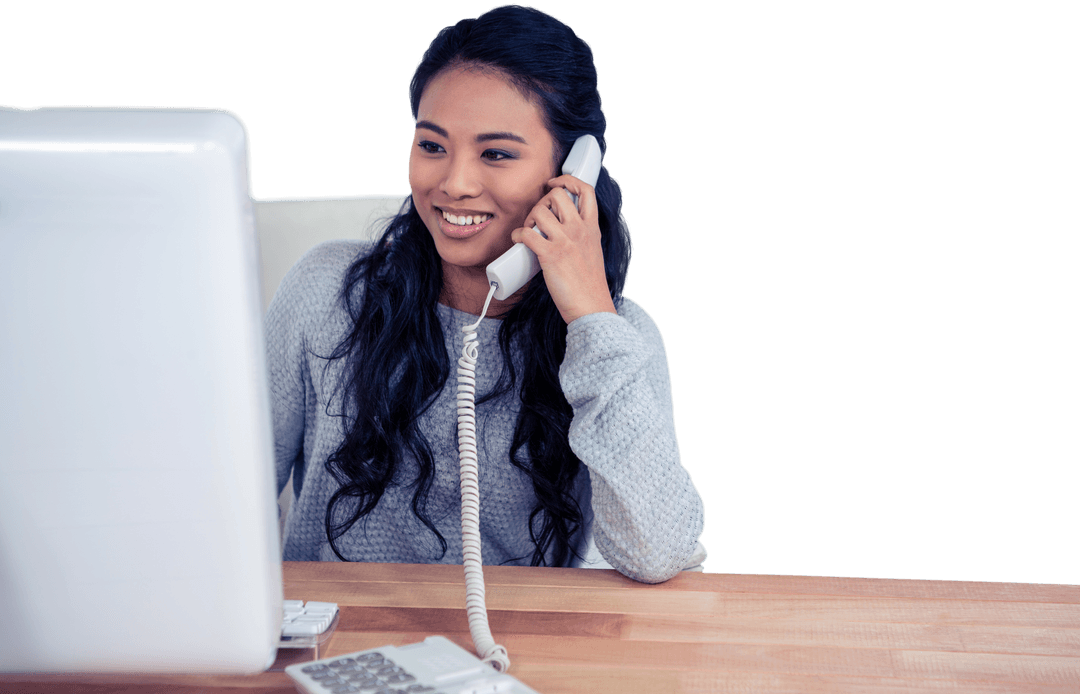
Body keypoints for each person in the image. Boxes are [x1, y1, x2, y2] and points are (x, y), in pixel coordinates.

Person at [266, 5, 704, 584]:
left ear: (574, 172)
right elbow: (212, 504)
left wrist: (589, 314)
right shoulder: (326, 292)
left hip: (520, 656)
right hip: (337, 646)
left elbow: (661, 553)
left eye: (496, 153)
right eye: (432, 145)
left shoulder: (618, 336)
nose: (454, 183)